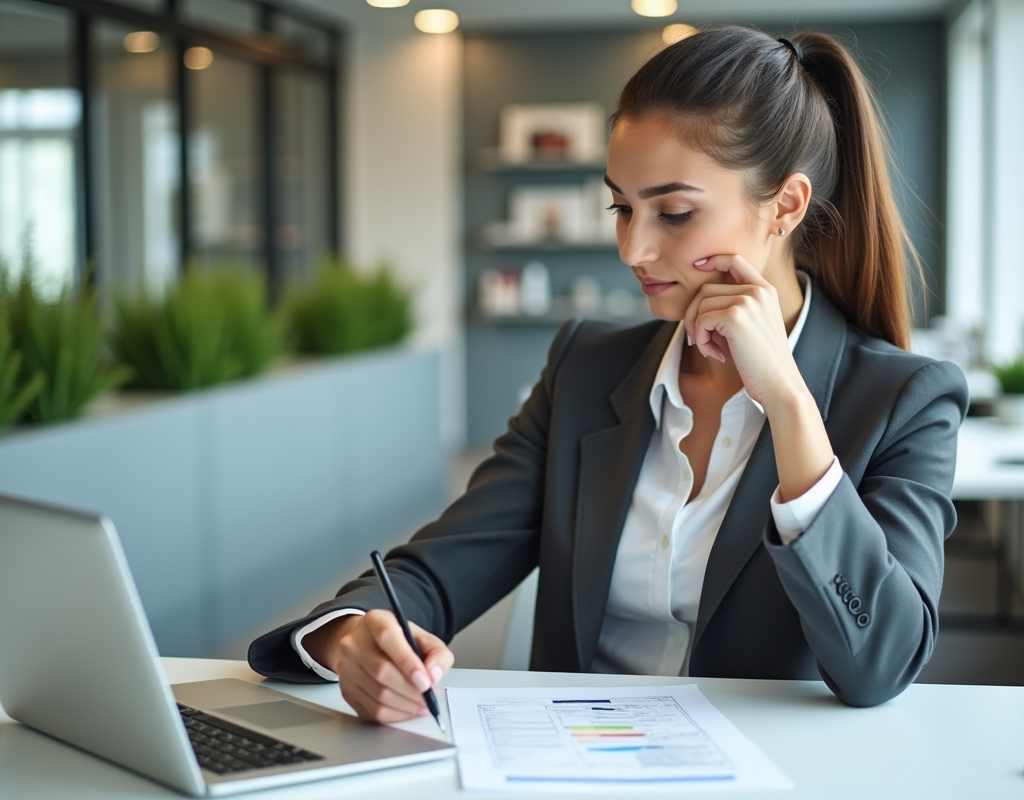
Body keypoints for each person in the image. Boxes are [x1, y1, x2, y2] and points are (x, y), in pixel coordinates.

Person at [248, 26, 968, 717]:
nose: (632, 249)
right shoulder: (585, 368)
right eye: (622, 207)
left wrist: (787, 401)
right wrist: (352, 637)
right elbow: (442, 565)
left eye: (674, 213)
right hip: (570, 760)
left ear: (785, 205)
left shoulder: (904, 399)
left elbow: (882, 664)